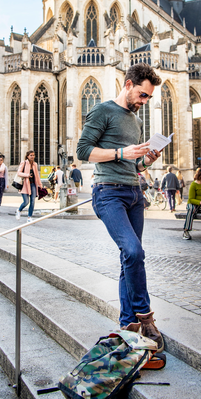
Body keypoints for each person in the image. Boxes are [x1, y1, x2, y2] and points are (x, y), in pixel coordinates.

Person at [77, 63, 164, 352]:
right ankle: (145, 316)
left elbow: (132, 162)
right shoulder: (103, 111)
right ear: (128, 85)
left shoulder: (135, 121)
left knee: (130, 259)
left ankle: (127, 323)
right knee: (133, 251)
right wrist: (121, 152)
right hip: (108, 193)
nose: (144, 102)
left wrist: (145, 160)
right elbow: (83, 150)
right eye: (142, 95)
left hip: (134, 192)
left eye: (148, 98)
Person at [15, 150, 44, 222]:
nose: (32, 156)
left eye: (33, 155)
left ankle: (29, 217)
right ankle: (19, 210)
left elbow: (37, 175)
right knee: (26, 202)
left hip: (33, 184)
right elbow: (19, 173)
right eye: (31, 155)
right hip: (25, 185)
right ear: (27, 156)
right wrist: (27, 175)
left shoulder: (35, 164)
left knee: (33, 201)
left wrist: (40, 185)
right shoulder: (24, 163)